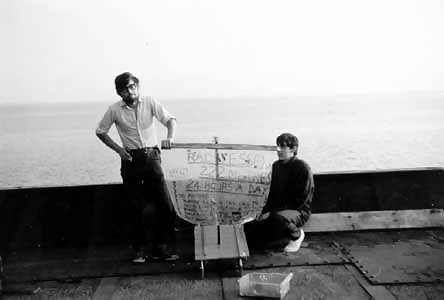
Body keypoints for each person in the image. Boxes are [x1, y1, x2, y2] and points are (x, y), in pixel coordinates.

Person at [96, 72, 178, 263]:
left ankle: (161, 248)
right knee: (135, 207)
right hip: (131, 160)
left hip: (152, 157)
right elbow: (100, 131)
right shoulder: (114, 110)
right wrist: (119, 150)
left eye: (133, 86)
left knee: (165, 205)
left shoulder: (150, 102)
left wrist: (170, 138)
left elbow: (170, 120)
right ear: (119, 92)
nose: (130, 90)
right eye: (125, 88)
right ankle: (139, 251)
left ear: (138, 87)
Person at [245, 133, 314, 252]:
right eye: (278, 146)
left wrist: (272, 213)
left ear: (293, 149)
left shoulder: (303, 168)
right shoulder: (276, 166)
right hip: (278, 211)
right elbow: (272, 194)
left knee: (278, 219)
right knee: (249, 228)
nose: (279, 150)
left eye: (283, 147)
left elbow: (300, 200)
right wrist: (263, 213)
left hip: (298, 211)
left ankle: (297, 235)